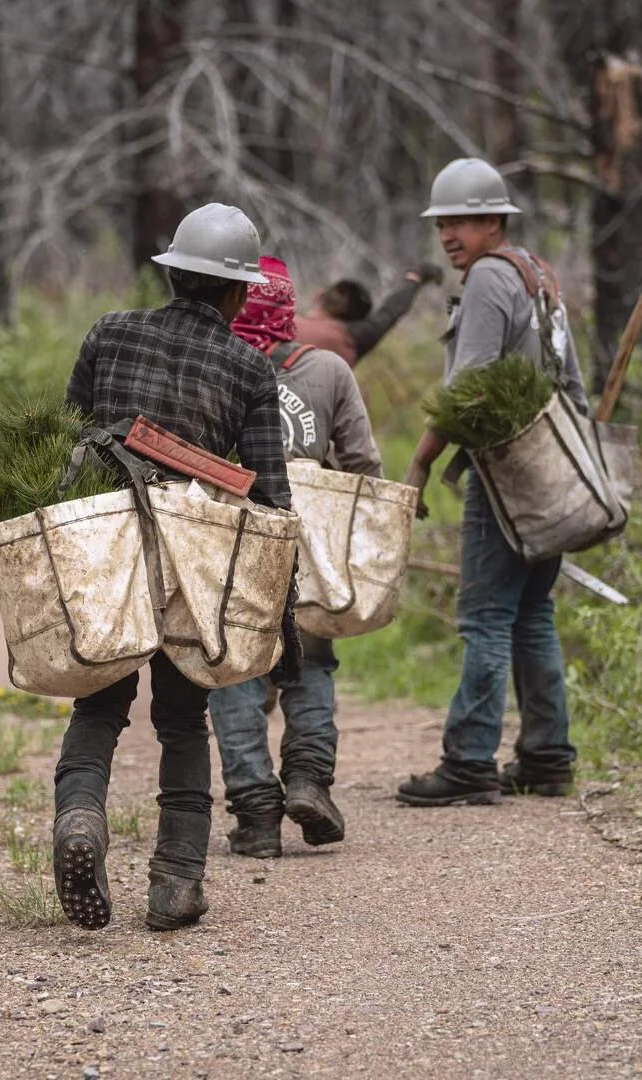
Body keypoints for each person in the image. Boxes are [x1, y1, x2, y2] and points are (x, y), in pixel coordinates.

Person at [53, 203, 293, 932]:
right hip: (196, 555)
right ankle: (176, 878)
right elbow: (272, 497)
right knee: (184, 720)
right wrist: (282, 610)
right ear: (239, 293)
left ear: (172, 274)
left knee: (98, 701)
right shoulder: (250, 367)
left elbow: (67, 435)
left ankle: (80, 819)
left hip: (108, 543)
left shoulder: (110, 331)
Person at [396, 158, 589, 807]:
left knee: (485, 616)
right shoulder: (539, 275)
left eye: (462, 220)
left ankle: (470, 761)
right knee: (532, 611)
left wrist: (421, 463)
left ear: (493, 220)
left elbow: (467, 388)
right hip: (549, 472)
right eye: (442, 222)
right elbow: (574, 385)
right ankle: (545, 757)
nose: (449, 234)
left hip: (504, 473)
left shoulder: (486, 279)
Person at [207, 255, 381, 858]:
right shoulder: (329, 369)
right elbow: (363, 465)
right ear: (287, 310)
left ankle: (256, 816)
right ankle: (308, 781)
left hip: (228, 544)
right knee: (312, 664)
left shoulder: (212, 366)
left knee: (232, 673)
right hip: (311, 547)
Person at [292, 263, 444, 367]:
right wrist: (415, 277)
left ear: (318, 296)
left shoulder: (277, 323)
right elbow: (389, 312)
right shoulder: (347, 340)